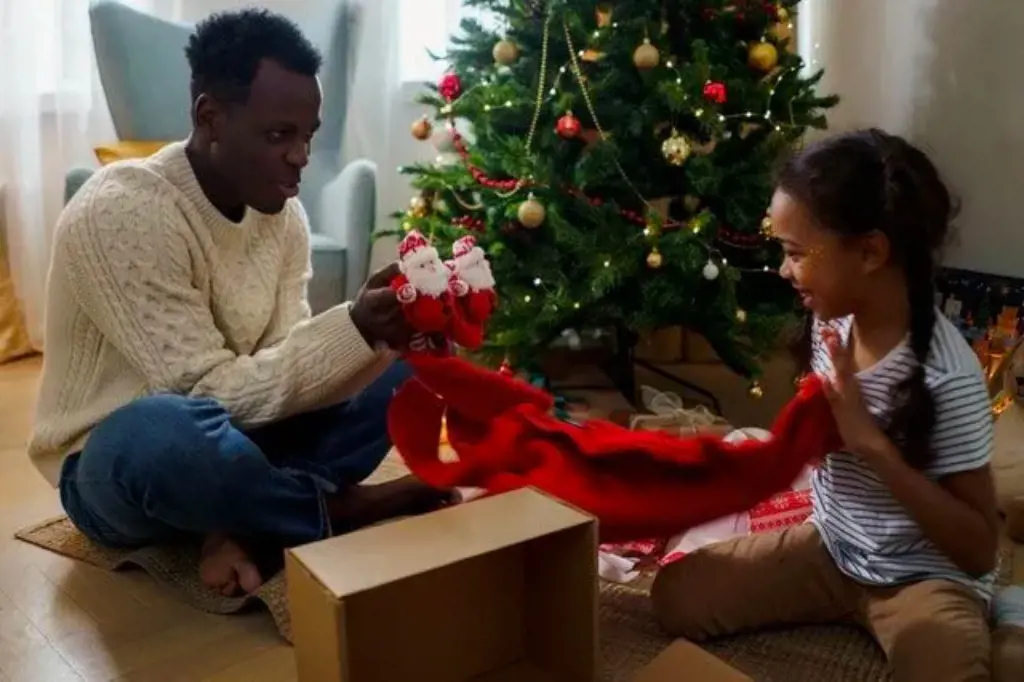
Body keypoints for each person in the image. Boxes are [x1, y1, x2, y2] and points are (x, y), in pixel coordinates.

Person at [29, 9, 450, 597]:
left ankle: (252, 525)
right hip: (116, 461)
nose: (301, 156)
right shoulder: (123, 209)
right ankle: (336, 509)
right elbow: (201, 394)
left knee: (405, 367)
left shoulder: (285, 217)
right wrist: (351, 327)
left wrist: (378, 334)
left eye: (308, 135)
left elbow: (283, 373)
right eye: (279, 135)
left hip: (245, 434)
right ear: (211, 117)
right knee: (169, 431)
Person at [650, 129, 1024, 681]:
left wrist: (871, 445)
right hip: (832, 549)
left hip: (924, 576)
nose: (782, 270)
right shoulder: (832, 317)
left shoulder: (948, 375)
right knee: (675, 596)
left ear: (870, 252)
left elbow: (976, 550)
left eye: (795, 254)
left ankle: (1008, 616)